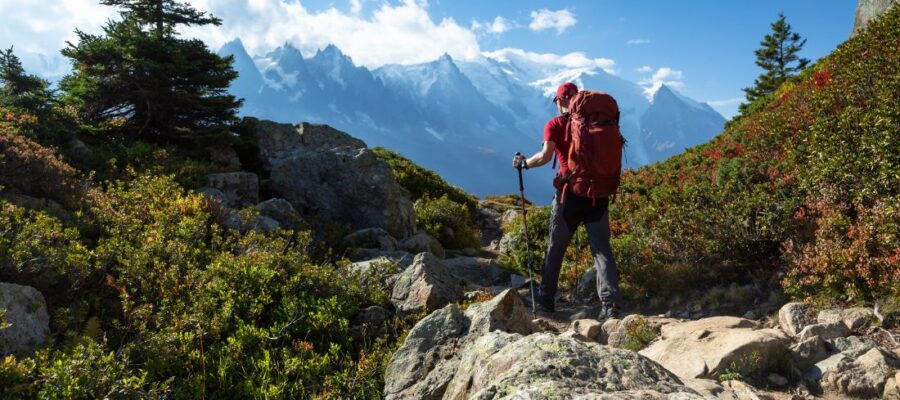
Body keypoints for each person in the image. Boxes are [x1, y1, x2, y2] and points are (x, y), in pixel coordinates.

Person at [512, 82, 621, 320]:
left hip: (569, 197)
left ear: (560, 101)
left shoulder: (555, 124)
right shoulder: (599, 121)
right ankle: (610, 305)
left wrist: (523, 163)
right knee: (601, 250)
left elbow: (544, 156)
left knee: (556, 248)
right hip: (599, 194)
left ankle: (546, 302)